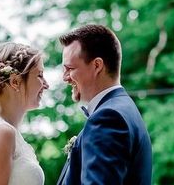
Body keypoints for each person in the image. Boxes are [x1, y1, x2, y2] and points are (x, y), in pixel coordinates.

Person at [57, 24, 152, 185]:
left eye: (70, 68)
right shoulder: (123, 108)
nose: (65, 77)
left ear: (97, 66)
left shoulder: (108, 118)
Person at [0, 42, 50, 185]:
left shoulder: (5, 130)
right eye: (40, 75)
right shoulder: (1, 132)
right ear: (15, 81)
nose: (46, 84)